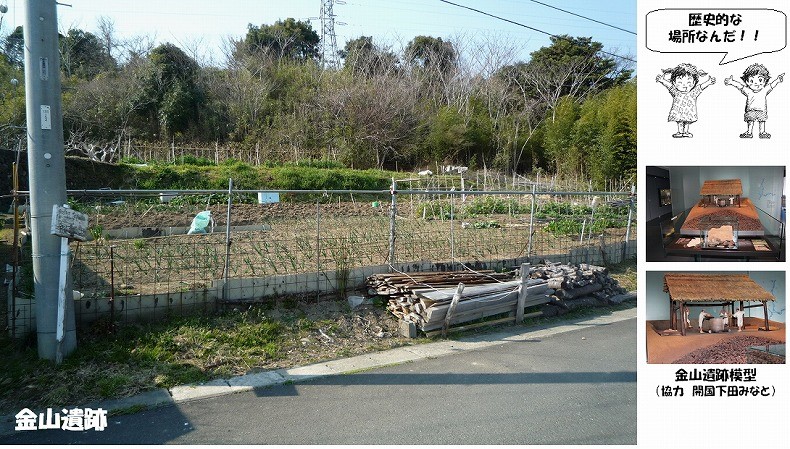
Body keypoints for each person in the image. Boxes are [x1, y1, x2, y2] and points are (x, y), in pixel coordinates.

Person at [724, 63, 784, 139]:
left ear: (765, 81)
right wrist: (731, 82)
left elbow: (772, 85)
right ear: (747, 82)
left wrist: (778, 80)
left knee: (762, 121)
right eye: (752, 80)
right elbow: (740, 86)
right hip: (750, 110)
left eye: (760, 80)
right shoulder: (748, 91)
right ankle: (749, 132)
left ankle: (762, 132)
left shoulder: (764, 90)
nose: (756, 83)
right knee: (750, 121)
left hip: (761, 110)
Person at [656, 63, 716, 138]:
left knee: (687, 122)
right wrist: (662, 80)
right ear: (674, 82)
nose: (684, 86)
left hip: (689, 111)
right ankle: (680, 132)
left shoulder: (693, 92)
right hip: (679, 111)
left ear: (694, 82)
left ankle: (686, 132)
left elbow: (701, 87)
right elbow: (669, 86)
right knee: (680, 122)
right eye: (680, 83)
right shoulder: (676, 92)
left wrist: (709, 82)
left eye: (689, 83)